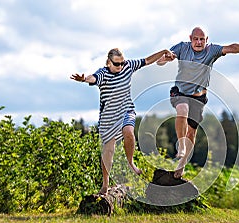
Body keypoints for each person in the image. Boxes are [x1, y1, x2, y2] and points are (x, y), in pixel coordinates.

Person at [71, 48, 175, 195]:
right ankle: (105, 184)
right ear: (109, 62)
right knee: (109, 150)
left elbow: (147, 60)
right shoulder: (103, 73)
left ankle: (131, 162)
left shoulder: (128, 66)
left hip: (126, 110)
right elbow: (93, 78)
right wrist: (83, 79)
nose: (120, 67)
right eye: (116, 64)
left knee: (129, 132)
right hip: (109, 117)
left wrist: (164, 51)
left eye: (122, 63)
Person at [157, 27, 239, 178]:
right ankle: (181, 147)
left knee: (191, 132)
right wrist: (166, 58)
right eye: (196, 39)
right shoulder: (181, 47)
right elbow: (160, 62)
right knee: (182, 110)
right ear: (190, 38)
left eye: (202, 39)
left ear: (206, 40)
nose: (198, 42)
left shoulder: (211, 51)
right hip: (180, 92)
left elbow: (230, 48)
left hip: (199, 97)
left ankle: (182, 165)